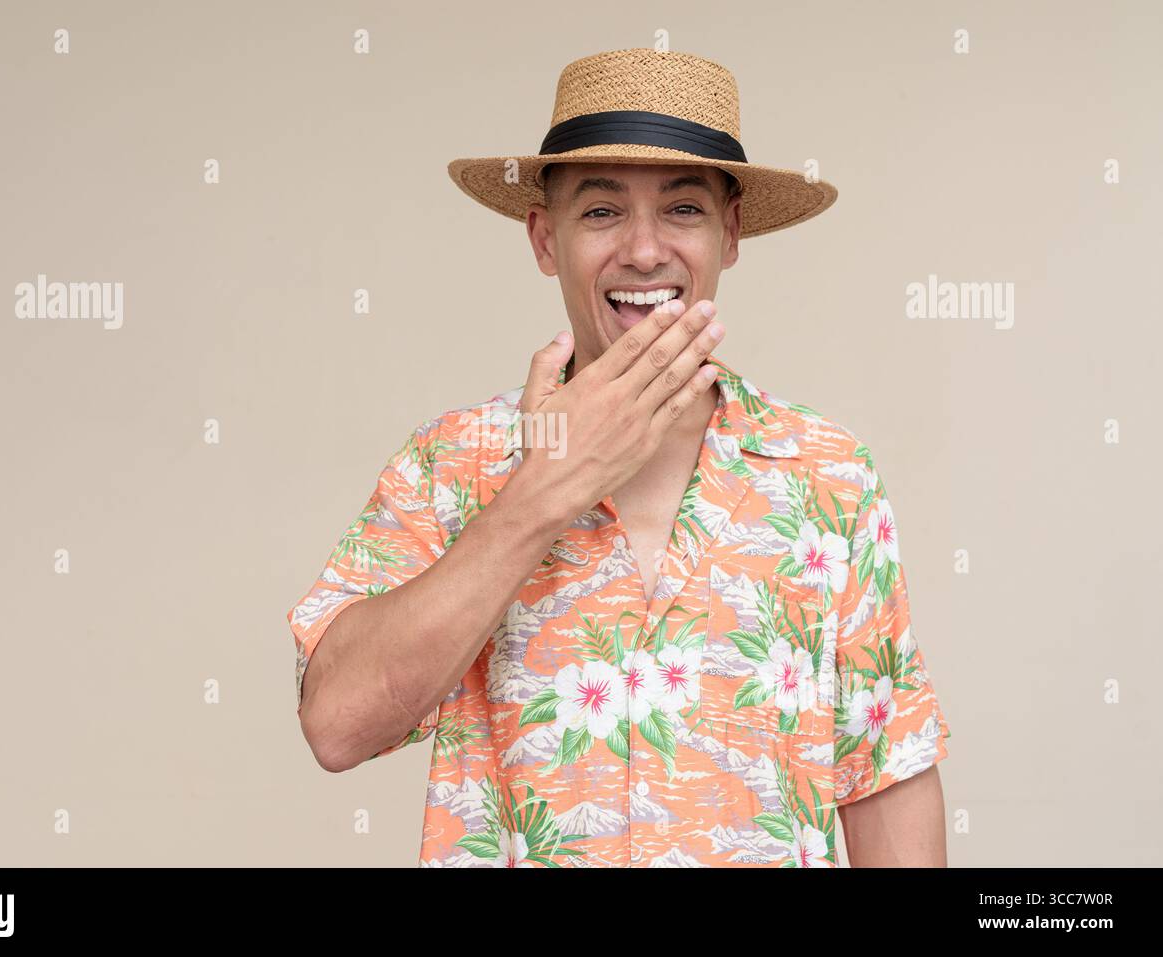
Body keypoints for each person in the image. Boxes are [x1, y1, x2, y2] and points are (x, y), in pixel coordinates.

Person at [288, 48, 951, 867]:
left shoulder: (828, 473)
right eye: (602, 211)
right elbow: (337, 723)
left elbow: (881, 768)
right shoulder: (448, 463)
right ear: (544, 238)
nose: (643, 251)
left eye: (682, 210)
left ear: (730, 234)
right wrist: (544, 489)